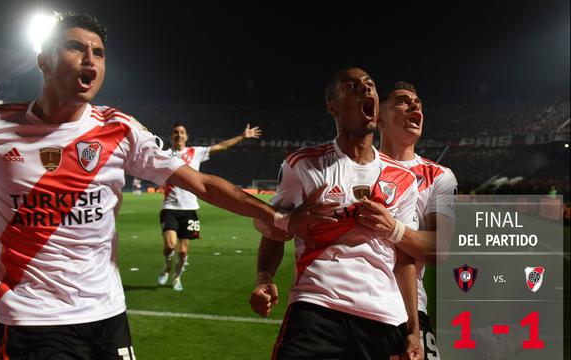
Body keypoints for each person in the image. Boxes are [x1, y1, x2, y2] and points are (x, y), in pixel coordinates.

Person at [0, 13, 327, 359]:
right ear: (44, 61)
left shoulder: (120, 130)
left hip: (107, 315)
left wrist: (278, 218)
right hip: (33, 318)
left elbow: (202, 184)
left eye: (99, 52)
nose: (90, 59)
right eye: (75, 47)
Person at [249, 67, 423, 360]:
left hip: (384, 318)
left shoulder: (403, 179)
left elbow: (404, 259)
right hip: (316, 308)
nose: (366, 90)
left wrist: (413, 331)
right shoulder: (303, 165)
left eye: (370, 85)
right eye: (352, 86)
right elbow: (273, 228)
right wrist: (264, 277)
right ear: (332, 107)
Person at [362, 81, 458, 360]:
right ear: (379, 117)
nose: (415, 106)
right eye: (402, 101)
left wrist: (393, 228)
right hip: (348, 301)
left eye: (418, 104)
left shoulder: (438, 175)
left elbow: (440, 248)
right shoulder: (355, 167)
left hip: (407, 308)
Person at [158, 122, 262, 291]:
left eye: (182, 132)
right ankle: (167, 267)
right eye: (176, 132)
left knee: (183, 251)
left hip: (190, 209)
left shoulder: (195, 152)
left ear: (186, 136)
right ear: (171, 136)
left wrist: (242, 137)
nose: (179, 135)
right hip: (169, 207)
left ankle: (177, 277)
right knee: (170, 245)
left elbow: (221, 146)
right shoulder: (165, 154)